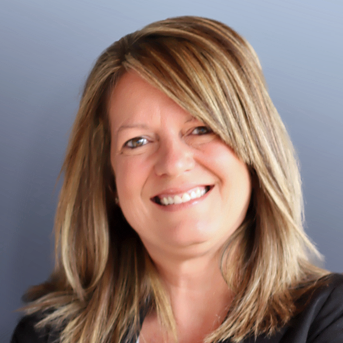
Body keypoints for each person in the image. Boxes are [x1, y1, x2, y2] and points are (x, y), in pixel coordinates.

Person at [11, 16, 343, 343]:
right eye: (137, 142)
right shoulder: (46, 335)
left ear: (254, 150)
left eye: (201, 129)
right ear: (110, 181)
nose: (172, 163)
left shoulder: (328, 318)